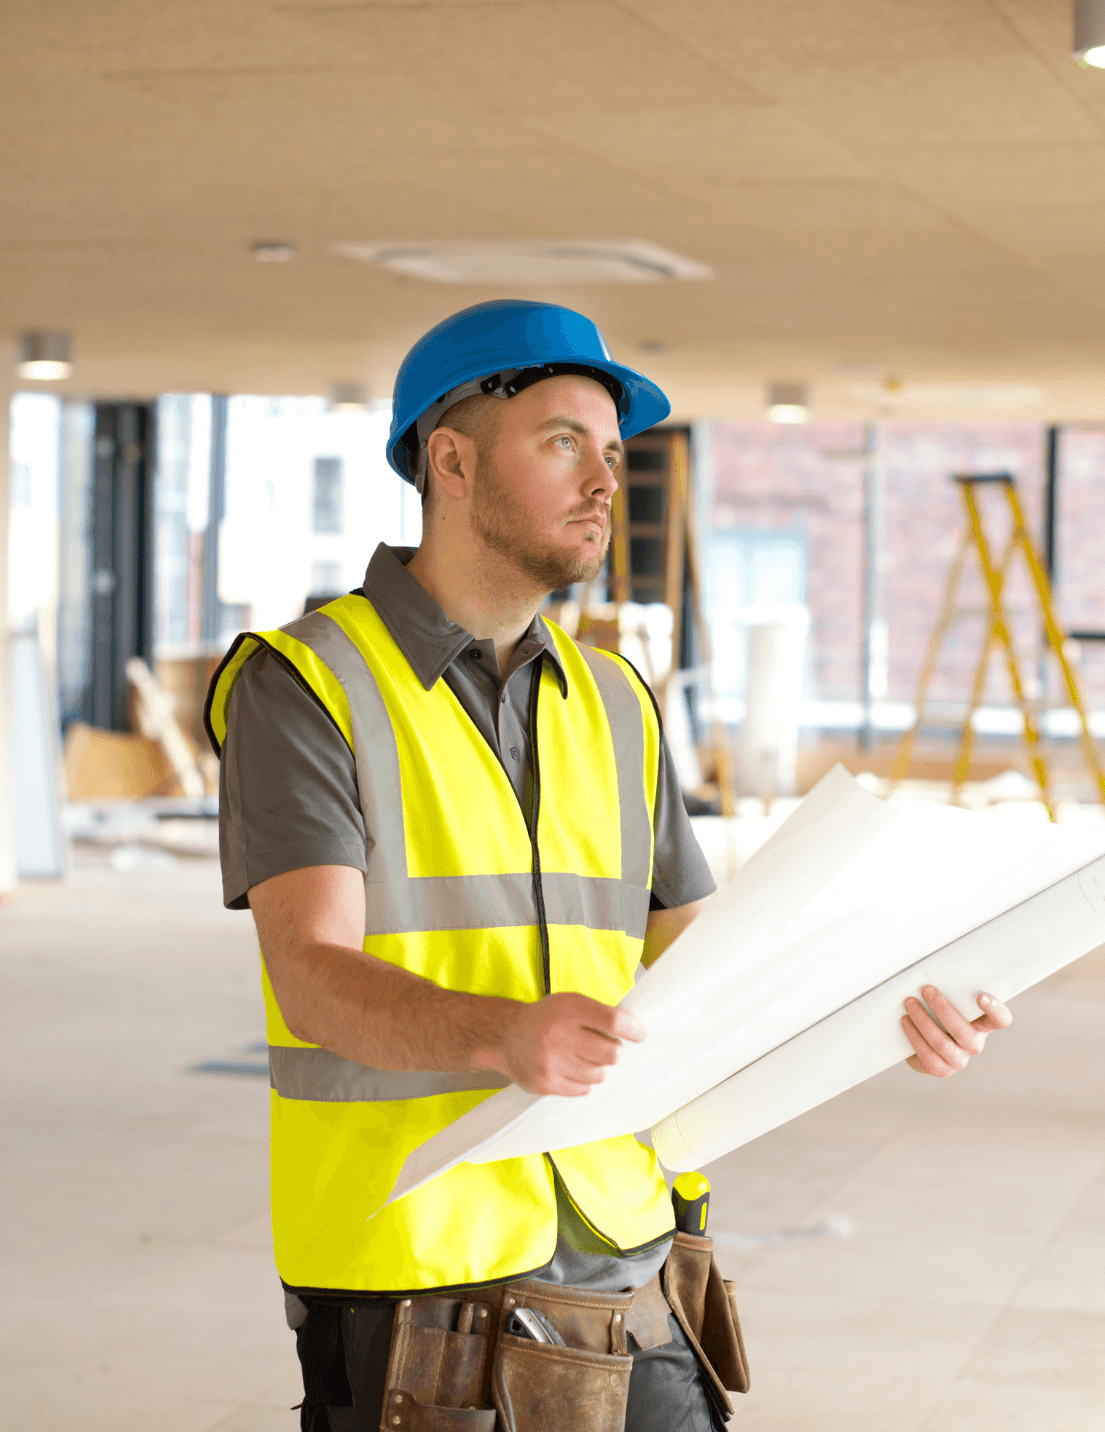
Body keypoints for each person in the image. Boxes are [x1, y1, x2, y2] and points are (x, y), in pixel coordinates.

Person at [206, 300, 1014, 1431]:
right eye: (561, 442)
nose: (603, 482)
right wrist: (504, 1033)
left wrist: (890, 1009)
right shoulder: (306, 684)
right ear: (450, 461)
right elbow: (311, 976)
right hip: (418, 1278)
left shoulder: (617, 700)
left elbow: (709, 970)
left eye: (612, 452)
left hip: (631, 1253)